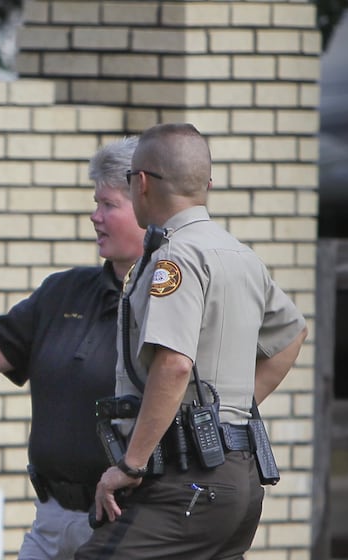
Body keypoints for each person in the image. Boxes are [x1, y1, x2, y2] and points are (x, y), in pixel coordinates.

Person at [74, 123, 308, 559]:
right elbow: (292, 335)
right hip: (238, 477)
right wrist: (225, 413)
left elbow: (175, 363)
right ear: (207, 185)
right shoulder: (240, 254)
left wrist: (130, 464)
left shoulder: (173, 256)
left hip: (186, 481)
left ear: (140, 183)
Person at [0, 138, 146, 559]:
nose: (95, 216)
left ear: (146, 208)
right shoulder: (64, 289)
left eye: (108, 204)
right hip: (52, 518)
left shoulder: (171, 301)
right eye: (95, 203)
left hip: (126, 522)